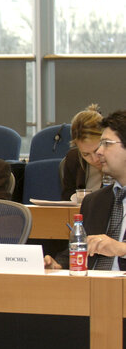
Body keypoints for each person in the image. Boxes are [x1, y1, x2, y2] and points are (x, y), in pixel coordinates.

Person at [46, 110, 126, 270]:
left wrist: (122, 249)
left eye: (107, 144)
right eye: (100, 143)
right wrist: (58, 264)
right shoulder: (94, 201)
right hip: (92, 289)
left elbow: (116, 248)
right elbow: (79, 251)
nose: (99, 151)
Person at [61, 104, 104, 200]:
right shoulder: (73, 159)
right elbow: (67, 200)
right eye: (86, 154)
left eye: (97, 150)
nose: (94, 159)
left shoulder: (119, 160)